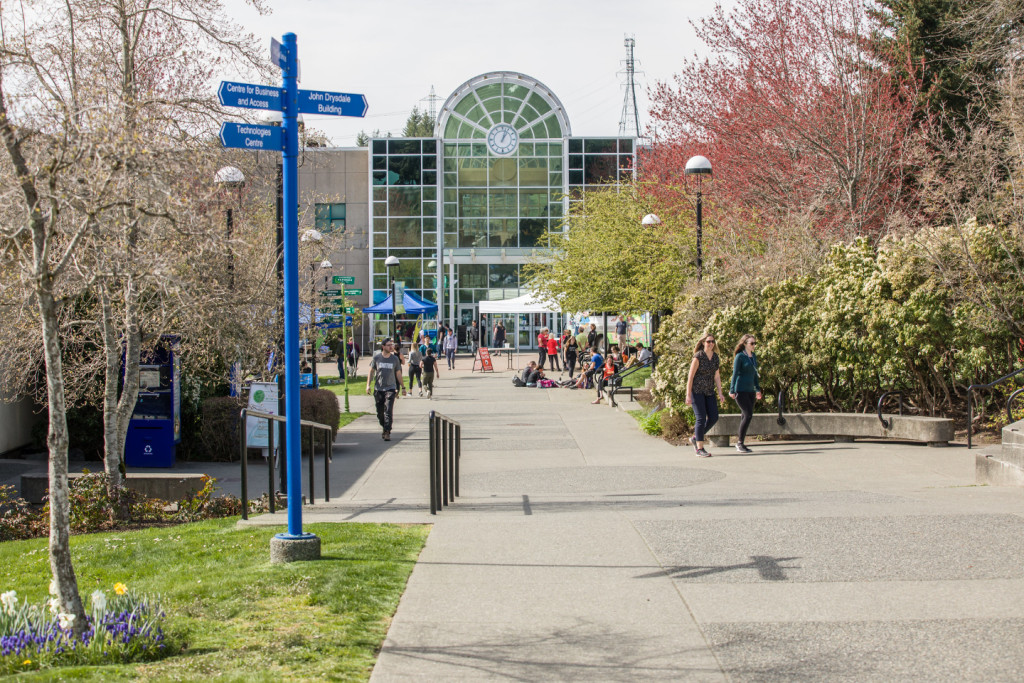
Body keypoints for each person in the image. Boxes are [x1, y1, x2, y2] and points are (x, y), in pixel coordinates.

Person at [685, 334, 726, 457]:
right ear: (703, 342)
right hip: (697, 391)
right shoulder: (698, 357)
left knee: (714, 417)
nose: (711, 344)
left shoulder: (715, 358)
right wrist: (688, 395)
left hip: (709, 391)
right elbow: (690, 377)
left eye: (713, 341)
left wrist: (720, 392)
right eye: (708, 341)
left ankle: (695, 437)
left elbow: (717, 376)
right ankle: (699, 448)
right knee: (701, 418)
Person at [366, 338, 406, 441]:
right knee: (380, 412)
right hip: (378, 389)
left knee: (388, 410)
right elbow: (371, 372)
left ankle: (387, 431)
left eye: (391, 345)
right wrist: (368, 385)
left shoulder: (395, 359)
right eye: (389, 345)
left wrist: (403, 387)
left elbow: (398, 373)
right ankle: (384, 427)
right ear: (383, 346)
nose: (391, 347)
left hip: (390, 388)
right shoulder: (377, 358)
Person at [728, 334, 762, 454]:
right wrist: (732, 390)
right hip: (740, 390)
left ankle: (741, 443)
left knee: (745, 415)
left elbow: (755, 374)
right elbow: (735, 373)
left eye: (754, 343)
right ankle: (739, 443)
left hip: (750, 390)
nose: (754, 345)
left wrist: (757, 389)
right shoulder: (740, 356)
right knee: (748, 415)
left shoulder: (753, 357)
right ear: (745, 344)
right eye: (751, 343)